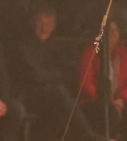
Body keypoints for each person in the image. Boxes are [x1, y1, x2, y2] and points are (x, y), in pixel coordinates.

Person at [11, 7, 106, 141]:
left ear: (54, 26)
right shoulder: (23, 46)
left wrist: (53, 75)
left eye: (49, 24)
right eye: (40, 23)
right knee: (59, 93)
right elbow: (36, 76)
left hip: (51, 97)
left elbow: (66, 74)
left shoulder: (55, 48)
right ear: (33, 22)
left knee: (62, 108)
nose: (44, 28)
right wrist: (57, 74)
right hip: (27, 96)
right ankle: (87, 133)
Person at [78, 18, 127, 139]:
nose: (113, 33)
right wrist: (109, 99)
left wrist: (121, 98)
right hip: (94, 101)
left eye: (116, 30)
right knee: (108, 111)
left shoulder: (122, 53)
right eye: (109, 30)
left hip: (118, 101)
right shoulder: (90, 52)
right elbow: (85, 84)